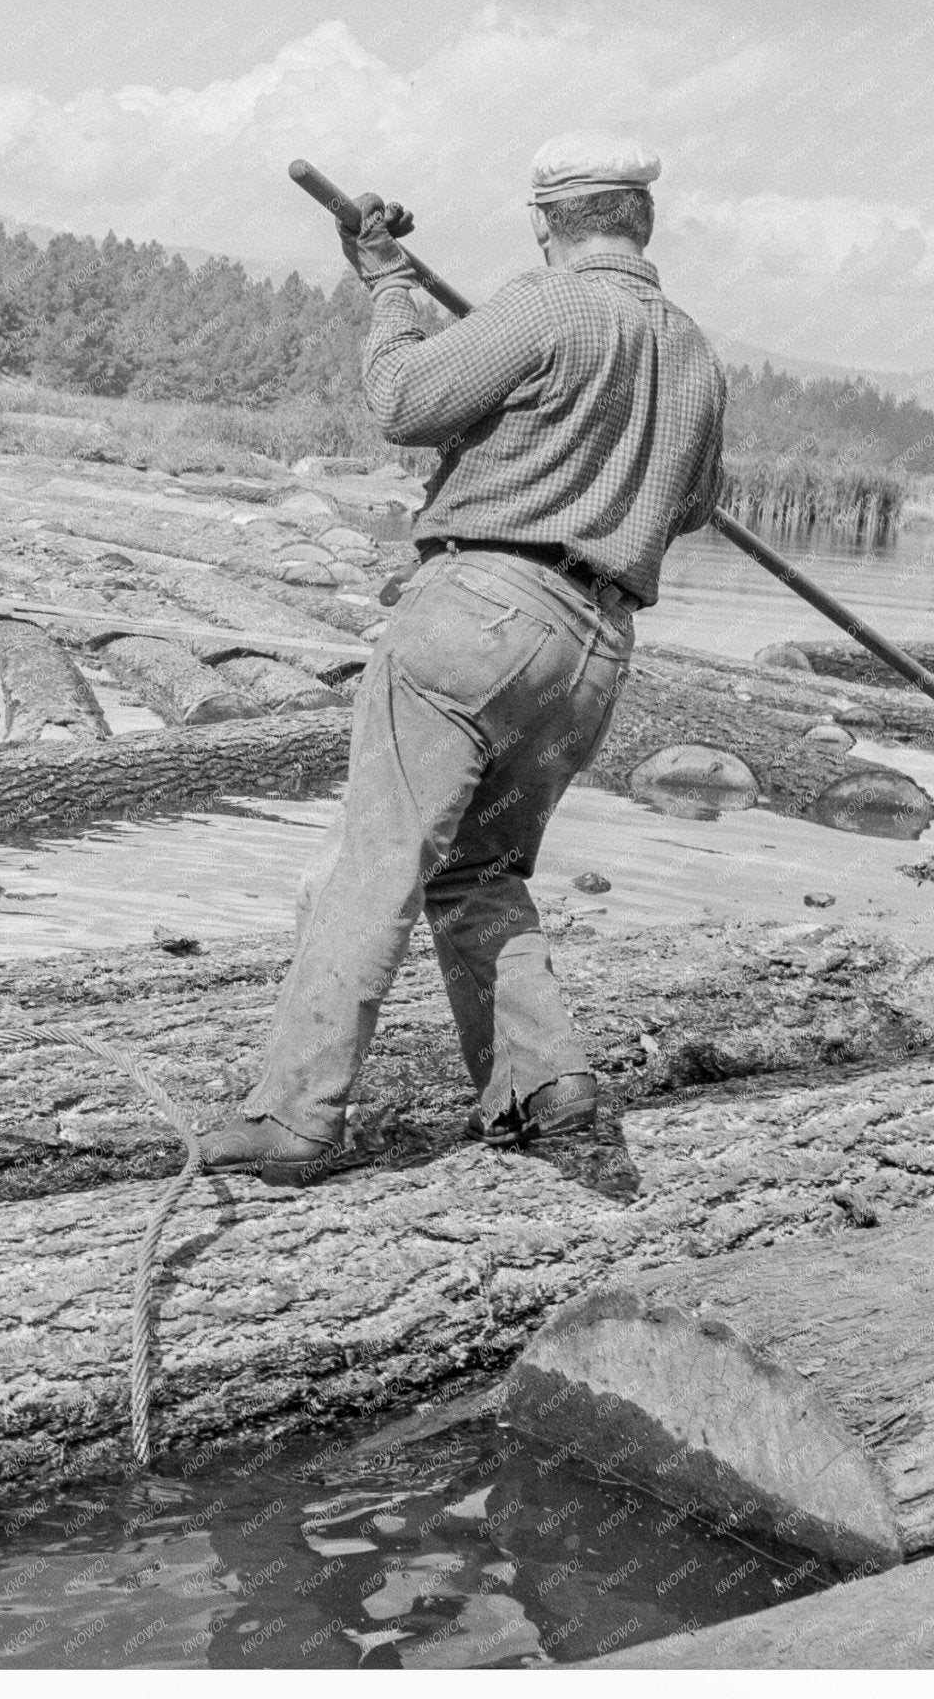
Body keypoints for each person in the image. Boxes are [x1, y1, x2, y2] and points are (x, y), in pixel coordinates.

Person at [199, 131, 728, 1183]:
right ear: (642, 222)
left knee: (376, 861)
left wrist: (387, 283)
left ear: (544, 221)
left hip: (481, 611)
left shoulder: (542, 302)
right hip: (592, 649)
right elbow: (697, 505)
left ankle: (295, 1116)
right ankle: (542, 1085)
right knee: (478, 871)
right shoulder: (697, 352)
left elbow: (401, 402)